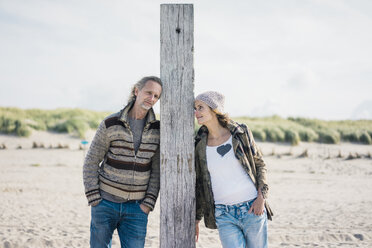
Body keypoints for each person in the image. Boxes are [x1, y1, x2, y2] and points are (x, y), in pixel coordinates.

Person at [83, 76, 162, 248]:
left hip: (136, 209)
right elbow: (91, 160)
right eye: (149, 93)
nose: (152, 99)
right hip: (104, 203)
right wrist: (94, 197)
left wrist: (148, 203)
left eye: (156, 96)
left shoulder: (158, 130)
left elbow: (157, 171)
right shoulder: (111, 123)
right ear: (136, 91)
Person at [194, 91, 273, 248]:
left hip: (252, 208)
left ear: (214, 109)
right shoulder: (199, 143)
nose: (196, 113)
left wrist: (261, 198)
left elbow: (259, 164)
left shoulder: (240, 133)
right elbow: (201, 184)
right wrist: (197, 218)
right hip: (223, 214)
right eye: (195, 108)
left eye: (200, 107)